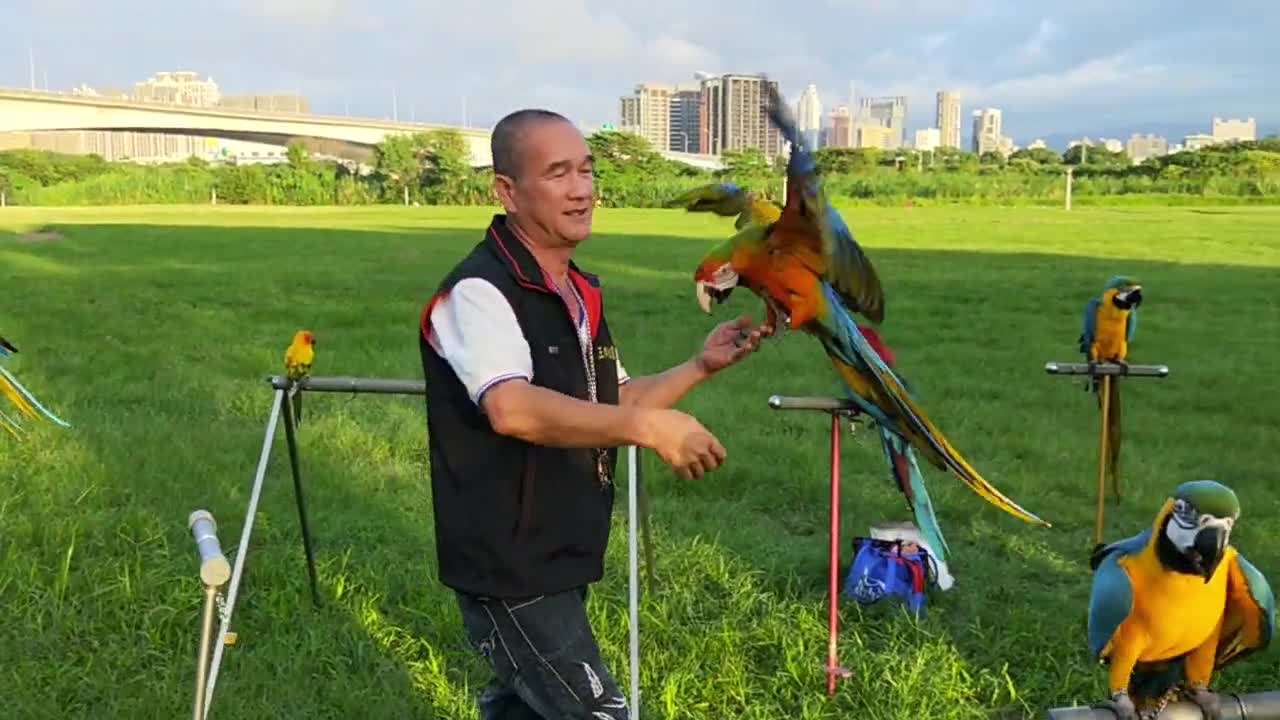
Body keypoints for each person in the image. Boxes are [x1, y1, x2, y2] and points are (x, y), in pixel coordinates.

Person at [418, 108, 772, 719]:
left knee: (523, 710)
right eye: (558, 174)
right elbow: (512, 408)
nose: (582, 189)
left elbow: (611, 403)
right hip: (512, 568)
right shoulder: (479, 292)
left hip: (561, 550)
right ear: (507, 191)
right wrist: (649, 429)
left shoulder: (576, 291)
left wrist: (699, 367)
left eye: (586, 170)